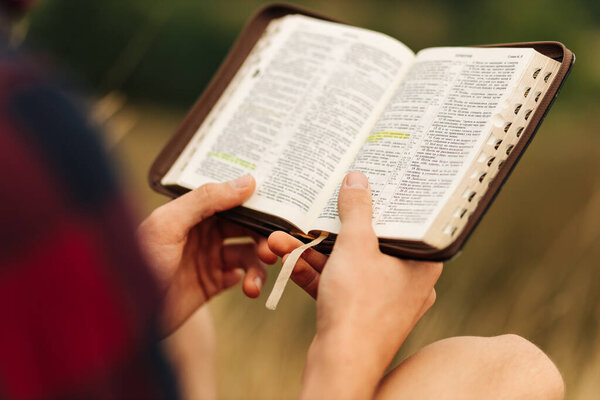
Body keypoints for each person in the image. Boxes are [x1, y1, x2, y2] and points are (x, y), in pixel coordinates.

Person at [0, 2, 564, 399]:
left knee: (188, 332)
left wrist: (128, 301)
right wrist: (350, 344)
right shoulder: (26, 122)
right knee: (510, 372)